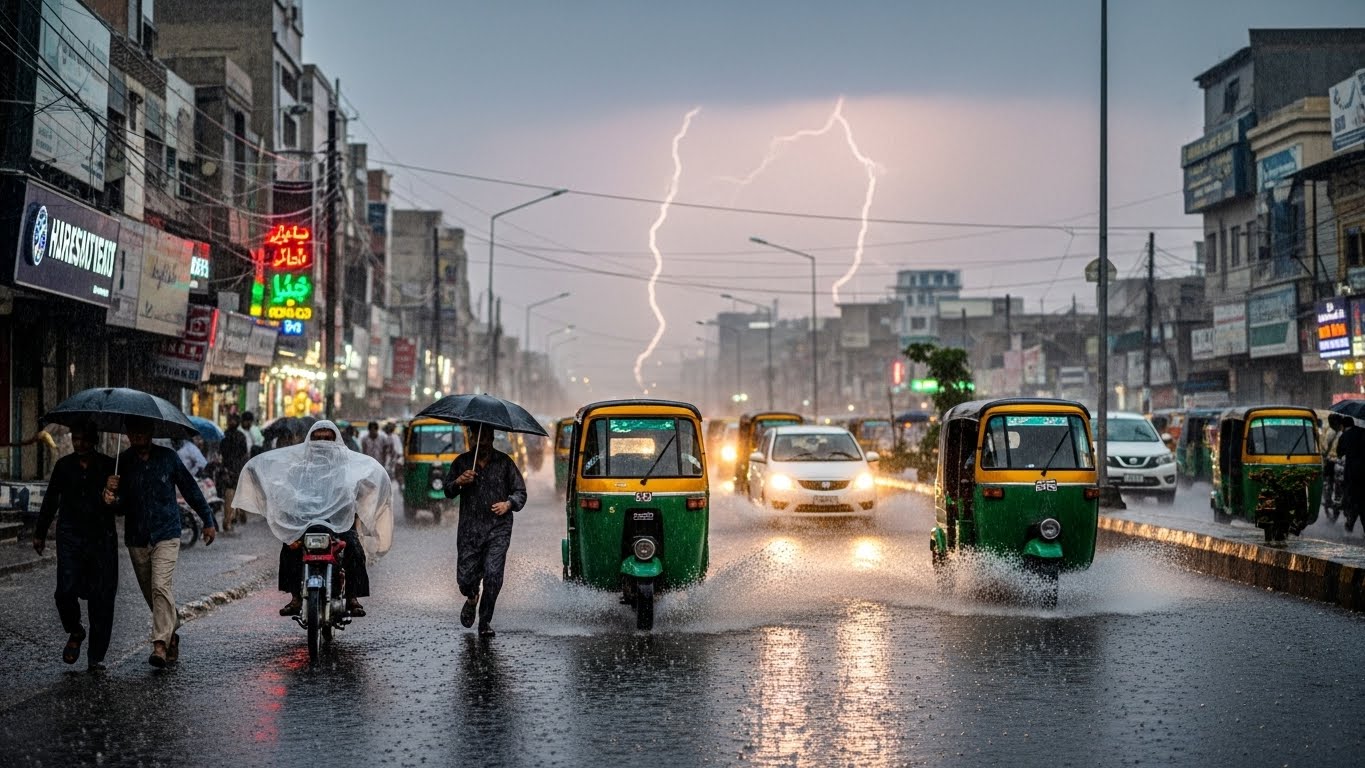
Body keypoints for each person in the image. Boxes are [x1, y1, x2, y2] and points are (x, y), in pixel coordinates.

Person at [232, 421, 392, 619]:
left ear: (335, 441)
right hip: (305, 523)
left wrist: (360, 503)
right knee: (289, 548)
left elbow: (362, 489)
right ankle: (295, 598)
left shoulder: (347, 468)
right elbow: (287, 492)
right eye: (318, 439)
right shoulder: (299, 469)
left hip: (338, 523)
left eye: (327, 439)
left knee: (354, 549)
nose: (322, 443)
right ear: (310, 441)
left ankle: (352, 597)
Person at [107, 416, 216, 668]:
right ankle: (171, 632)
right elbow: (119, 507)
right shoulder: (122, 462)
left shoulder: (168, 458)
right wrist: (111, 496)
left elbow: (190, 489)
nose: (137, 436)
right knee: (152, 593)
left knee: (160, 587)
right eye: (133, 431)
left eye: (142, 430)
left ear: (151, 432)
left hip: (166, 533)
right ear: (128, 434)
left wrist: (208, 519)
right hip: (137, 537)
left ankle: (159, 644)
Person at [32, 422, 118, 671]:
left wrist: (113, 496)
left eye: (85, 439)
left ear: (95, 440)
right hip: (70, 537)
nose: (79, 444)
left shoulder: (109, 467)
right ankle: (76, 630)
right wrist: (40, 533)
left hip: (101, 540)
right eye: (76, 438)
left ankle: (96, 656)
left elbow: (124, 504)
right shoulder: (64, 466)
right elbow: (51, 500)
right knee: (65, 591)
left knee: (101, 598)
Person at [444, 424, 527, 637]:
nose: (480, 443)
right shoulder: (462, 462)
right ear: (471, 438)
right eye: (476, 438)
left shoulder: (505, 463)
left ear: (491, 439)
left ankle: (485, 621)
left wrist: (508, 504)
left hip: (498, 528)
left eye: (485, 438)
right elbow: (447, 490)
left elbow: (520, 492)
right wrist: (459, 482)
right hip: (470, 530)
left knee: (493, 573)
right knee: (465, 580)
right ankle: (472, 598)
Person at [218, 413, 250, 532]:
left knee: (229, 492)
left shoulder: (224, 435)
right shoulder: (241, 436)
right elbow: (244, 453)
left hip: (227, 467)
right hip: (238, 467)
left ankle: (228, 518)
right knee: (238, 490)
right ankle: (238, 512)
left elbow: (221, 452)